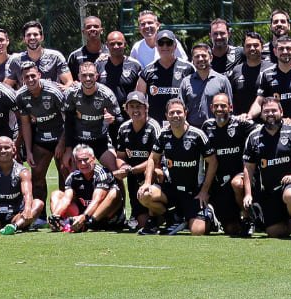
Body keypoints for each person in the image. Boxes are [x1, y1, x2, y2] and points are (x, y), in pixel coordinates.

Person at [139, 97, 217, 235]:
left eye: (179, 112)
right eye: (172, 113)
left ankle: (209, 214)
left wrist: (204, 191)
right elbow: (152, 158)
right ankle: (173, 219)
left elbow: (213, 162)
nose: (175, 115)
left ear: (185, 113)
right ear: (166, 116)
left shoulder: (198, 135)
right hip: (172, 189)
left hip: (193, 192)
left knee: (197, 231)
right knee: (144, 195)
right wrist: (147, 182)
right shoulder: (164, 134)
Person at [242, 98, 291, 238]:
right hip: (270, 190)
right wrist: (248, 194)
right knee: (274, 232)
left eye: (274, 110)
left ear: (281, 111)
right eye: (266, 111)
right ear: (261, 114)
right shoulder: (254, 136)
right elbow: (248, 169)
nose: (270, 114)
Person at [200, 93, 255, 236]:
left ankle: (248, 218)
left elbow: (264, 130)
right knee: (231, 229)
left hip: (240, 177)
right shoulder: (207, 126)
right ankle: (217, 220)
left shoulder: (241, 123)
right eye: (216, 106)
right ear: (211, 108)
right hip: (219, 184)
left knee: (237, 183)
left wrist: (285, 122)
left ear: (230, 107)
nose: (219, 109)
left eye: (223, 106)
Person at [15, 60, 68, 203]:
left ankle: (63, 211)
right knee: (37, 175)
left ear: (39, 75)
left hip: (61, 136)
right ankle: (40, 213)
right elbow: (25, 124)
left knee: (65, 172)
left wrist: (62, 143)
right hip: (41, 139)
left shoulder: (53, 92)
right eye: (26, 77)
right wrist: (28, 151)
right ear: (22, 79)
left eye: (33, 75)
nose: (30, 79)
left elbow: (69, 119)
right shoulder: (21, 96)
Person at [111, 92, 160, 234]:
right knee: (142, 223)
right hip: (133, 177)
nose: (135, 110)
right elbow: (120, 156)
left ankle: (165, 215)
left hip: (152, 174)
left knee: (154, 172)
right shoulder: (123, 128)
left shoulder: (153, 127)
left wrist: (132, 170)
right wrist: (123, 167)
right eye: (131, 107)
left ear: (146, 108)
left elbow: (155, 160)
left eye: (139, 106)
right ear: (126, 109)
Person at [48, 144, 124, 232]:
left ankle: (88, 223)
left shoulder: (102, 173)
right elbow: (66, 199)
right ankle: (59, 223)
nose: (83, 163)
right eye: (79, 160)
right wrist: (55, 216)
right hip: (83, 214)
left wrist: (85, 217)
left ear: (93, 158)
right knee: (56, 194)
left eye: (86, 159)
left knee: (114, 192)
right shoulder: (73, 177)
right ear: (75, 162)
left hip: (102, 216)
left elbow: (97, 200)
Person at [63, 61, 121, 170]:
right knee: (69, 167)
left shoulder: (107, 94)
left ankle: (112, 183)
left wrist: (113, 120)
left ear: (97, 76)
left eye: (91, 75)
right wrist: (68, 148)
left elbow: (120, 119)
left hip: (100, 139)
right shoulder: (71, 93)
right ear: (79, 77)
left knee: (114, 168)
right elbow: (68, 122)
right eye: (84, 75)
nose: (88, 78)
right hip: (79, 140)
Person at [135, 30, 193, 123]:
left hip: (181, 123)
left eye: (169, 43)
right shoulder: (147, 71)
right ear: (156, 46)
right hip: (155, 124)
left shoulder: (188, 68)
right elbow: (139, 99)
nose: (165, 46)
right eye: (161, 43)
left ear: (175, 46)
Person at [6, 19, 70, 86]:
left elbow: (69, 82)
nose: (32, 37)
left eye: (35, 34)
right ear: (24, 39)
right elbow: (6, 87)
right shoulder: (16, 61)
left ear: (42, 37)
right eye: (28, 35)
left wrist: (63, 89)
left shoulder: (56, 57)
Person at [183, 43, 233, 128]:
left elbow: (230, 108)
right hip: (192, 129)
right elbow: (181, 108)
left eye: (204, 56)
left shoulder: (222, 81)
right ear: (192, 60)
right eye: (197, 56)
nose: (200, 59)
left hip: (216, 129)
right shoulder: (186, 82)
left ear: (211, 57)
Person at [228, 31, 269, 117]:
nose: (252, 48)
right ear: (243, 49)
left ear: (262, 47)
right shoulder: (236, 70)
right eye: (248, 46)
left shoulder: (271, 69)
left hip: (267, 121)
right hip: (242, 120)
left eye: (256, 45)